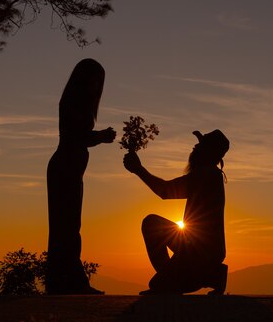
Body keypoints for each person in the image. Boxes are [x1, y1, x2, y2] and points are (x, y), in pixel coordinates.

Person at [123, 129, 230, 295]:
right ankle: (212, 275)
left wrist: (138, 169)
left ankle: (194, 276)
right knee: (158, 284)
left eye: (200, 145)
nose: (194, 147)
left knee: (151, 224)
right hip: (201, 249)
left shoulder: (206, 174)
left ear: (208, 152)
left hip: (199, 252)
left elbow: (165, 191)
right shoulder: (210, 175)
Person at [46, 59, 116, 295]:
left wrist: (99, 136)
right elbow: (77, 137)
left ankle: (62, 281)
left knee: (68, 226)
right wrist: (102, 136)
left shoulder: (79, 106)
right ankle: (70, 282)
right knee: (65, 227)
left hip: (72, 171)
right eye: (94, 80)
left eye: (99, 81)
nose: (96, 86)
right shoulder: (70, 105)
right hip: (64, 169)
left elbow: (82, 137)